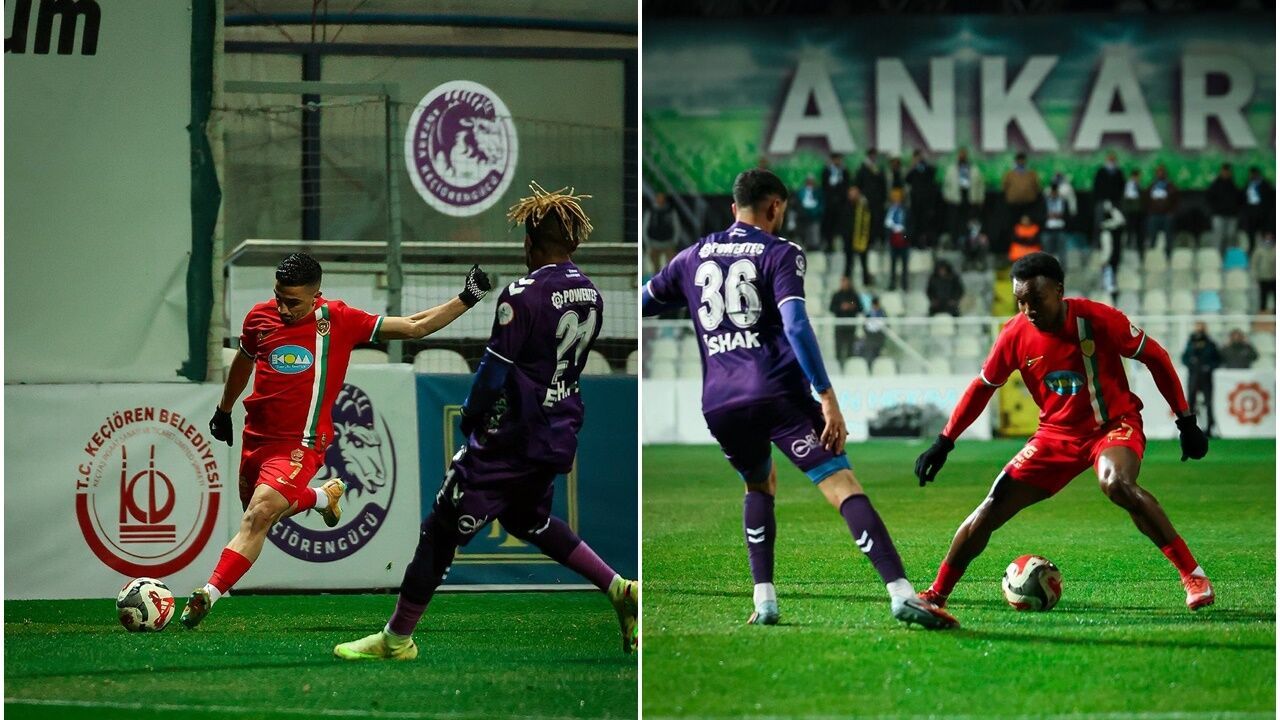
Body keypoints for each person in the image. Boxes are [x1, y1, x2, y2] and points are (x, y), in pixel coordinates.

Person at [641, 168, 957, 630]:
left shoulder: (691, 256)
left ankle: (765, 600)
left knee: (758, 484)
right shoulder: (781, 252)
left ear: (733, 208)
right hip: (777, 394)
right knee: (842, 484)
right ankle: (901, 593)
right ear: (775, 207)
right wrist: (826, 395)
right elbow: (795, 324)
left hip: (720, 404)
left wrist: (690, 296)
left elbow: (646, 300)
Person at [334, 183, 638, 660]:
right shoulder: (592, 295)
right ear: (574, 243)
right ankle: (619, 587)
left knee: (439, 531)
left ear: (529, 243)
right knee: (528, 519)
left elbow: (494, 371)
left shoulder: (523, 295)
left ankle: (395, 640)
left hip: (510, 438)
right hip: (557, 432)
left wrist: (472, 418)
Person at [181, 253, 494, 628]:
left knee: (259, 514)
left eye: (293, 302)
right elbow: (244, 361)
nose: (283, 308)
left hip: (301, 444)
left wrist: (467, 298)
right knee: (262, 510)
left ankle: (208, 594)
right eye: (279, 298)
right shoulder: (258, 318)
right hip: (257, 439)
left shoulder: (339, 319)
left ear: (316, 296)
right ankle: (321, 497)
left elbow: (415, 326)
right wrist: (224, 409)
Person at [914, 252, 1213, 614]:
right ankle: (936, 594)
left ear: (1059, 290)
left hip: (1112, 426)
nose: (1028, 310)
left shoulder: (1098, 319)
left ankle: (1193, 575)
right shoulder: (1013, 335)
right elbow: (983, 387)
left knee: (1117, 484)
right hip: (1054, 436)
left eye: (1036, 299)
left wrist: (1185, 421)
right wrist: (944, 441)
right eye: (1020, 301)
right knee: (993, 504)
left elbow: (1156, 357)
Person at [1182, 322, 1220, 438]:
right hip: (1193, 376)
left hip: (1206, 377)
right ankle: (1189, 429)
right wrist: (1190, 364)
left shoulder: (1210, 344)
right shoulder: (1190, 342)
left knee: (1208, 403)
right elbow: (1184, 358)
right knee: (1191, 403)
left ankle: (1209, 428)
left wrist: (1208, 367)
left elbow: (1217, 359)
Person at [942, 148, 985, 246]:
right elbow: (946, 184)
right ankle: (955, 243)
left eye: (964, 155)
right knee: (954, 222)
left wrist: (981, 198)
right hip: (955, 199)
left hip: (970, 199)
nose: (962, 157)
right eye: (961, 155)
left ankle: (969, 243)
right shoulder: (952, 169)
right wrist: (946, 195)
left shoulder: (974, 169)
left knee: (970, 223)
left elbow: (980, 185)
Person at [1002, 152, 1040, 249]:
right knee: (1014, 228)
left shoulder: (1031, 174)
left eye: (1022, 160)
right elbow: (1004, 187)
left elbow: (1036, 187)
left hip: (1028, 205)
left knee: (1028, 226)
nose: (1021, 162)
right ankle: (1014, 248)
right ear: (1016, 161)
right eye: (1019, 160)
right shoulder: (1010, 174)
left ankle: (1029, 248)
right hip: (1013, 206)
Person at [853, 149, 887, 250]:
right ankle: (868, 242)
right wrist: (861, 196)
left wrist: (883, 198)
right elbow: (857, 184)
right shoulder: (862, 169)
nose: (873, 157)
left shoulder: (879, 168)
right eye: (871, 155)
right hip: (866, 201)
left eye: (874, 155)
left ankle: (878, 241)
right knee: (867, 223)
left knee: (878, 221)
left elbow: (883, 185)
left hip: (878, 201)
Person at [906, 149, 939, 250]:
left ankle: (927, 242)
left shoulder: (927, 168)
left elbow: (933, 172)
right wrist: (912, 166)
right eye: (916, 157)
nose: (919, 159)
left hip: (926, 202)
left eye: (920, 156)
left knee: (926, 223)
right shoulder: (913, 169)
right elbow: (907, 179)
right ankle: (915, 242)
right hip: (915, 202)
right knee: (915, 223)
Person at [1206, 164, 1241, 254]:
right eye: (1224, 171)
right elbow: (1209, 198)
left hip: (1231, 215)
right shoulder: (1215, 184)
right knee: (1218, 237)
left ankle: (1229, 257)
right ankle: (1217, 257)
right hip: (1218, 215)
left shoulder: (1233, 185)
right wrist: (1215, 209)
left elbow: (1239, 199)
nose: (1226, 173)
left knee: (1230, 237)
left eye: (1227, 171)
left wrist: (1235, 210)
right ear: (1221, 172)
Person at [1145, 164, 1178, 257]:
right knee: (1152, 236)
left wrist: (1172, 212)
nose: (1160, 174)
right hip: (1154, 215)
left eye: (1162, 172)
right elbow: (1146, 199)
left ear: (1165, 174)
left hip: (1167, 215)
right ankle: (1152, 256)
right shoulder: (1152, 186)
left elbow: (1176, 200)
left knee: (1168, 237)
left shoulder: (1170, 186)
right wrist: (1150, 211)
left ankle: (1168, 256)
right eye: (1158, 172)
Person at [830, 275, 863, 365]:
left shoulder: (853, 295)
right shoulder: (837, 295)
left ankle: (849, 366)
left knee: (850, 348)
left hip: (850, 327)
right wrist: (841, 307)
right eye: (843, 282)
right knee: (839, 348)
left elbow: (859, 307)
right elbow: (832, 308)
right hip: (839, 326)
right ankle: (839, 365)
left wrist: (851, 306)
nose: (844, 284)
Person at [1241, 166, 1274, 256]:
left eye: (1253, 174)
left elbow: (1271, 200)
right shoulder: (1248, 185)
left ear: (1257, 174)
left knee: (1266, 234)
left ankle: (1268, 252)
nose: (1251, 176)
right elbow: (1243, 199)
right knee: (1251, 235)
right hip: (1251, 215)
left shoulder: (1266, 185)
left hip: (1264, 215)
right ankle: (1252, 251)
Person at [1092, 151, 1125, 240]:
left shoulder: (1119, 172)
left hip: (1115, 202)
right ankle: (1097, 243)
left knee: (1116, 223)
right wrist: (1100, 199)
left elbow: (1121, 187)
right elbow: (1096, 187)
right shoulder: (1101, 171)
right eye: (1110, 159)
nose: (1111, 161)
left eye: (1113, 160)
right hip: (1101, 201)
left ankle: (1115, 243)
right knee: (1099, 223)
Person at [821, 154, 850, 253]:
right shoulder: (827, 171)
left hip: (842, 203)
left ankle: (843, 245)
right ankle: (829, 244)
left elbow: (847, 185)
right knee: (829, 225)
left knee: (842, 225)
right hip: (830, 203)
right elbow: (824, 186)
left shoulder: (844, 171)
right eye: (835, 159)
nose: (837, 161)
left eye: (838, 159)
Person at [646, 191, 679, 274]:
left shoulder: (670, 211)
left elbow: (676, 226)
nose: (660, 199)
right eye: (659, 197)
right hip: (654, 244)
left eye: (662, 197)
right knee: (655, 268)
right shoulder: (651, 211)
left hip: (668, 243)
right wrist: (648, 243)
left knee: (672, 266)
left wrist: (674, 241)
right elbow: (645, 227)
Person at [846, 185, 873, 285]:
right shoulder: (846, 206)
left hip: (862, 238)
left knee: (864, 262)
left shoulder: (864, 206)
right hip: (849, 239)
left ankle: (866, 282)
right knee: (848, 263)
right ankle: (847, 283)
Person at [885, 188, 910, 291]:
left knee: (904, 264)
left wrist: (905, 236)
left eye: (898, 198)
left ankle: (904, 283)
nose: (896, 200)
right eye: (894, 198)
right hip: (893, 239)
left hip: (904, 239)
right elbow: (886, 226)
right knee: (893, 263)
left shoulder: (906, 210)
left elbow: (910, 225)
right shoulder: (889, 210)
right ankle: (892, 282)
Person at [1042, 185, 1069, 270]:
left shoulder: (1063, 201)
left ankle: (1062, 269)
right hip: (1048, 229)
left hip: (1060, 228)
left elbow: (1068, 215)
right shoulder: (1045, 202)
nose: (1054, 194)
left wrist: (1060, 215)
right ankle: (1048, 268)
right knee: (1047, 251)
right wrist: (1047, 215)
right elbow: (1041, 214)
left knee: (1062, 251)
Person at [1121, 169, 1146, 258]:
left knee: (1137, 230)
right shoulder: (1128, 185)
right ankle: (1128, 245)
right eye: (1137, 177)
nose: (1138, 178)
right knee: (1129, 229)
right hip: (1129, 211)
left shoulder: (1139, 185)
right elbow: (1127, 198)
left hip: (1137, 212)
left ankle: (1135, 246)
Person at [795, 175, 823, 251]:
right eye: (808, 181)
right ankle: (806, 244)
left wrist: (817, 210)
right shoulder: (801, 191)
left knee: (814, 229)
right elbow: (799, 202)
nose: (810, 183)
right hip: (803, 214)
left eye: (811, 181)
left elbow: (821, 203)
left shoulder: (818, 191)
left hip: (815, 213)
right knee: (805, 229)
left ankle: (814, 245)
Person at [1252, 232, 1276, 311]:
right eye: (1267, 239)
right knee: (1263, 298)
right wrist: (1255, 275)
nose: (1268, 241)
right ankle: (1263, 313)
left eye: (1270, 238)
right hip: (1263, 277)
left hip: (1274, 278)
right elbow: (1254, 264)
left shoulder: (1276, 250)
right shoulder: (1259, 250)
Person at [861, 296, 888, 364]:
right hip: (870, 337)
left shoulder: (883, 313)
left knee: (878, 356)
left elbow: (886, 325)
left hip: (879, 337)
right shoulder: (868, 313)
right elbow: (864, 326)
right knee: (870, 355)